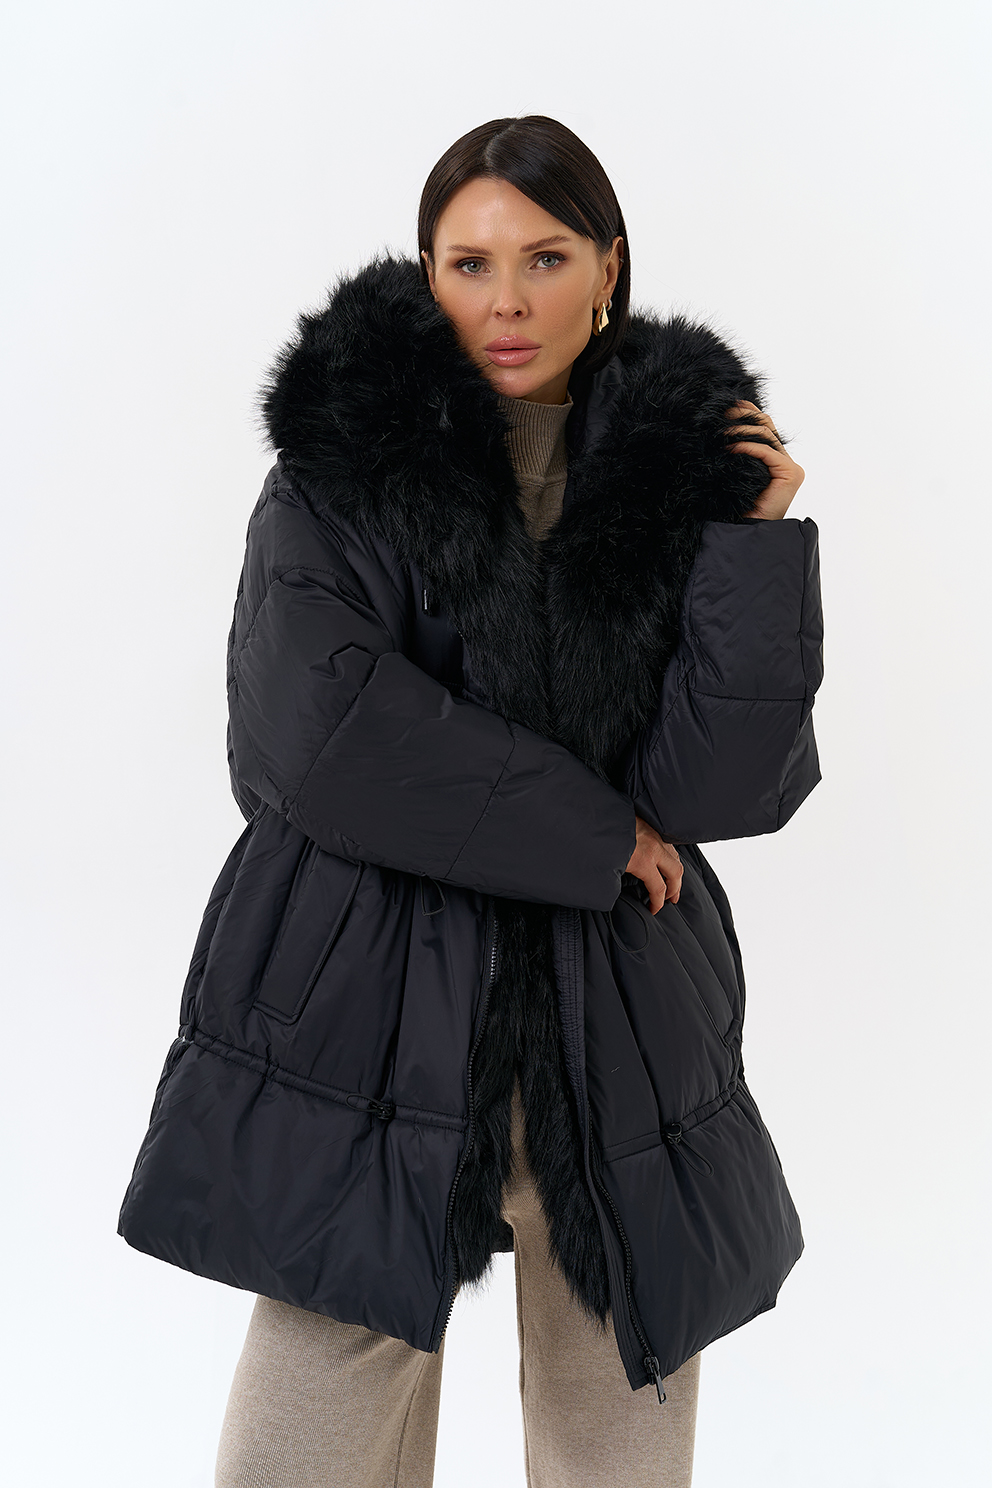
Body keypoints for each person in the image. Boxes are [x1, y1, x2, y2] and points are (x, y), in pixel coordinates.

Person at [118, 114, 822, 1487]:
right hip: (369, 997)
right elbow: (317, 735)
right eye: (470, 262)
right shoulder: (341, 467)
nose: (507, 299)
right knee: (303, 1440)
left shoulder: (681, 475)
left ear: (607, 268)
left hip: (620, 1010)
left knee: (621, 1442)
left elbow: (720, 787)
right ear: (427, 273)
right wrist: (593, 833)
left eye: (545, 258)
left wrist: (752, 546)